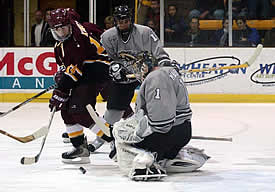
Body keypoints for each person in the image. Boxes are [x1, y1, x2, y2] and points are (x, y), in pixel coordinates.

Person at [112, 53, 209, 181]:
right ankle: (164, 157)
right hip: (182, 131)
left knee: (120, 136)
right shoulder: (168, 72)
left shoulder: (156, 78)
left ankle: (145, 163)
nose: (136, 72)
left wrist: (136, 135)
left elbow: (161, 122)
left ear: (145, 67)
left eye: (137, 68)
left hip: (167, 134)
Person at [89, 5, 171, 156]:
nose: (123, 24)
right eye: (120, 21)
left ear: (131, 20)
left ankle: (157, 134)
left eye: (126, 21)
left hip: (146, 73)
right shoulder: (107, 37)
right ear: (115, 21)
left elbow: (159, 52)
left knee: (152, 105)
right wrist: (113, 69)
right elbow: (103, 59)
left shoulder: (145, 32)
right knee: (114, 109)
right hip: (124, 76)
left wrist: (165, 64)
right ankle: (102, 139)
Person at [48, 8, 112, 164]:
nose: (62, 32)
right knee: (66, 109)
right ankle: (80, 148)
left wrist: (60, 90)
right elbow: (69, 69)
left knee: (80, 110)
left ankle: (114, 139)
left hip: (97, 70)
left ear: (70, 24)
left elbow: (74, 72)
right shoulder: (64, 41)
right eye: (58, 29)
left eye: (64, 28)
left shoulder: (76, 40)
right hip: (86, 71)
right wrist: (62, 79)